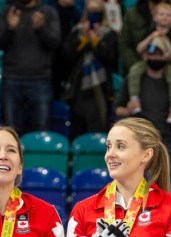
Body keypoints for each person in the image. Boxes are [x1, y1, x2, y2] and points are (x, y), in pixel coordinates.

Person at [0, 0, 61, 134]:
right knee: (9, 133)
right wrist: (10, 29)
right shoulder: (7, 12)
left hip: (41, 81)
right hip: (11, 80)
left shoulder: (48, 12)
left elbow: (55, 43)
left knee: (40, 134)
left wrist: (41, 29)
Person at [61, 0, 119, 140]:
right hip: (78, 89)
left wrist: (95, 41)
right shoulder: (77, 31)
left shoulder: (109, 33)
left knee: (99, 130)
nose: (94, 14)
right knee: (77, 129)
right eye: (91, 11)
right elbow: (67, 57)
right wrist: (83, 40)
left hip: (101, 89)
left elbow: (111, 58)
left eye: (97, 11)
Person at [120, 0, 171, 74]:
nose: (165, 17)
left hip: (168, 69)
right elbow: (125, 45)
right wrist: (140, 68)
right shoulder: (132, 14)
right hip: (139, 67)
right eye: (161, 14)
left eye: (168, 16)